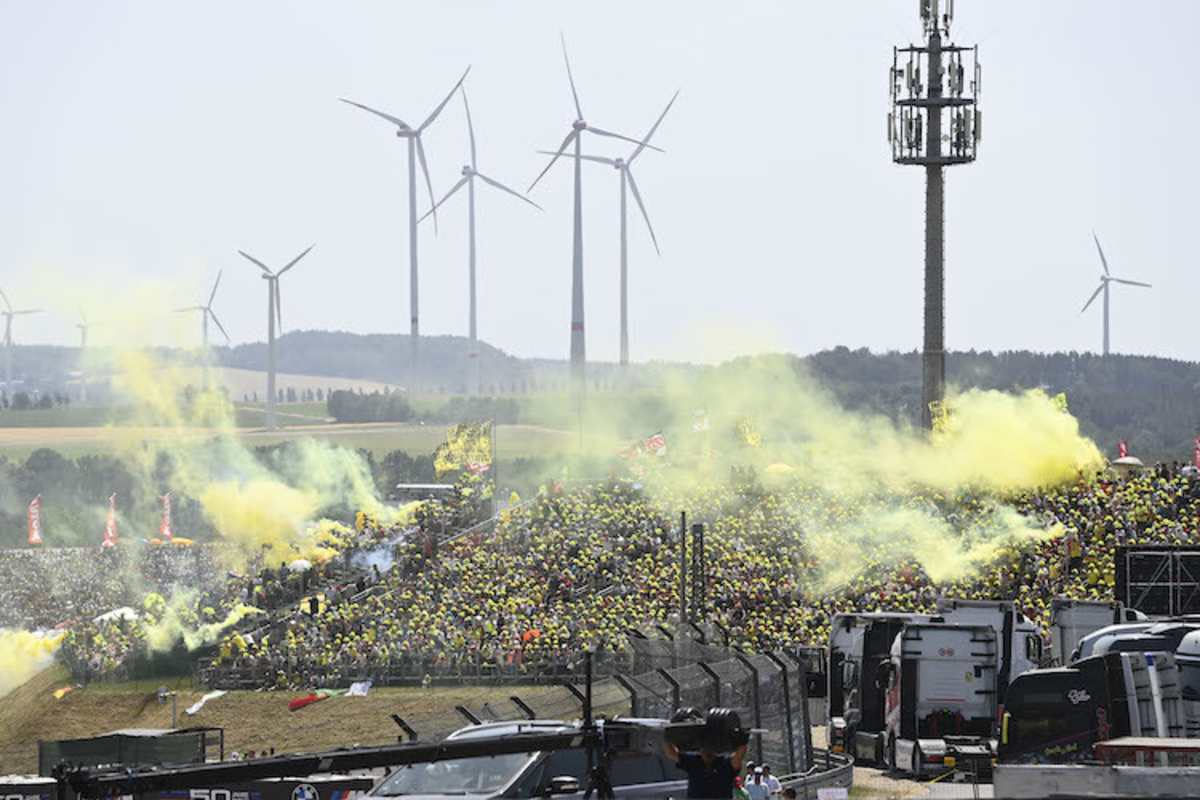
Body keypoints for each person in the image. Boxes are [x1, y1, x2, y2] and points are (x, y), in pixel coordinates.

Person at [663, 735, 746, 799]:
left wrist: (742, 738)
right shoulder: (693, 762)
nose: (707, 750)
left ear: (716, 749)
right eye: (705, 747)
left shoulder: (725, 764)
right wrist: (669, 735)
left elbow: (740, 755)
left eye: (711, 747)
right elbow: (671, 753)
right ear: (700, 748)